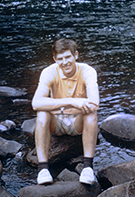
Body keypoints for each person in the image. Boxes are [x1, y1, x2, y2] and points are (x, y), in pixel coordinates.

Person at [32, 38, 99, 185]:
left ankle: (88, 167)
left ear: (76, 55)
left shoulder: (88, 71)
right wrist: (72, 101)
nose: (65, 62)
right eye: (60, 58)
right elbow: (36, 103)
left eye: (68, 57)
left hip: (78, 122)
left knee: (91, 114)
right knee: (42, 113)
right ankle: (43, 168)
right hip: (57, 124)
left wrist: (55, 107)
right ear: (55, 59)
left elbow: (94, 104)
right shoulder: (48, 72)